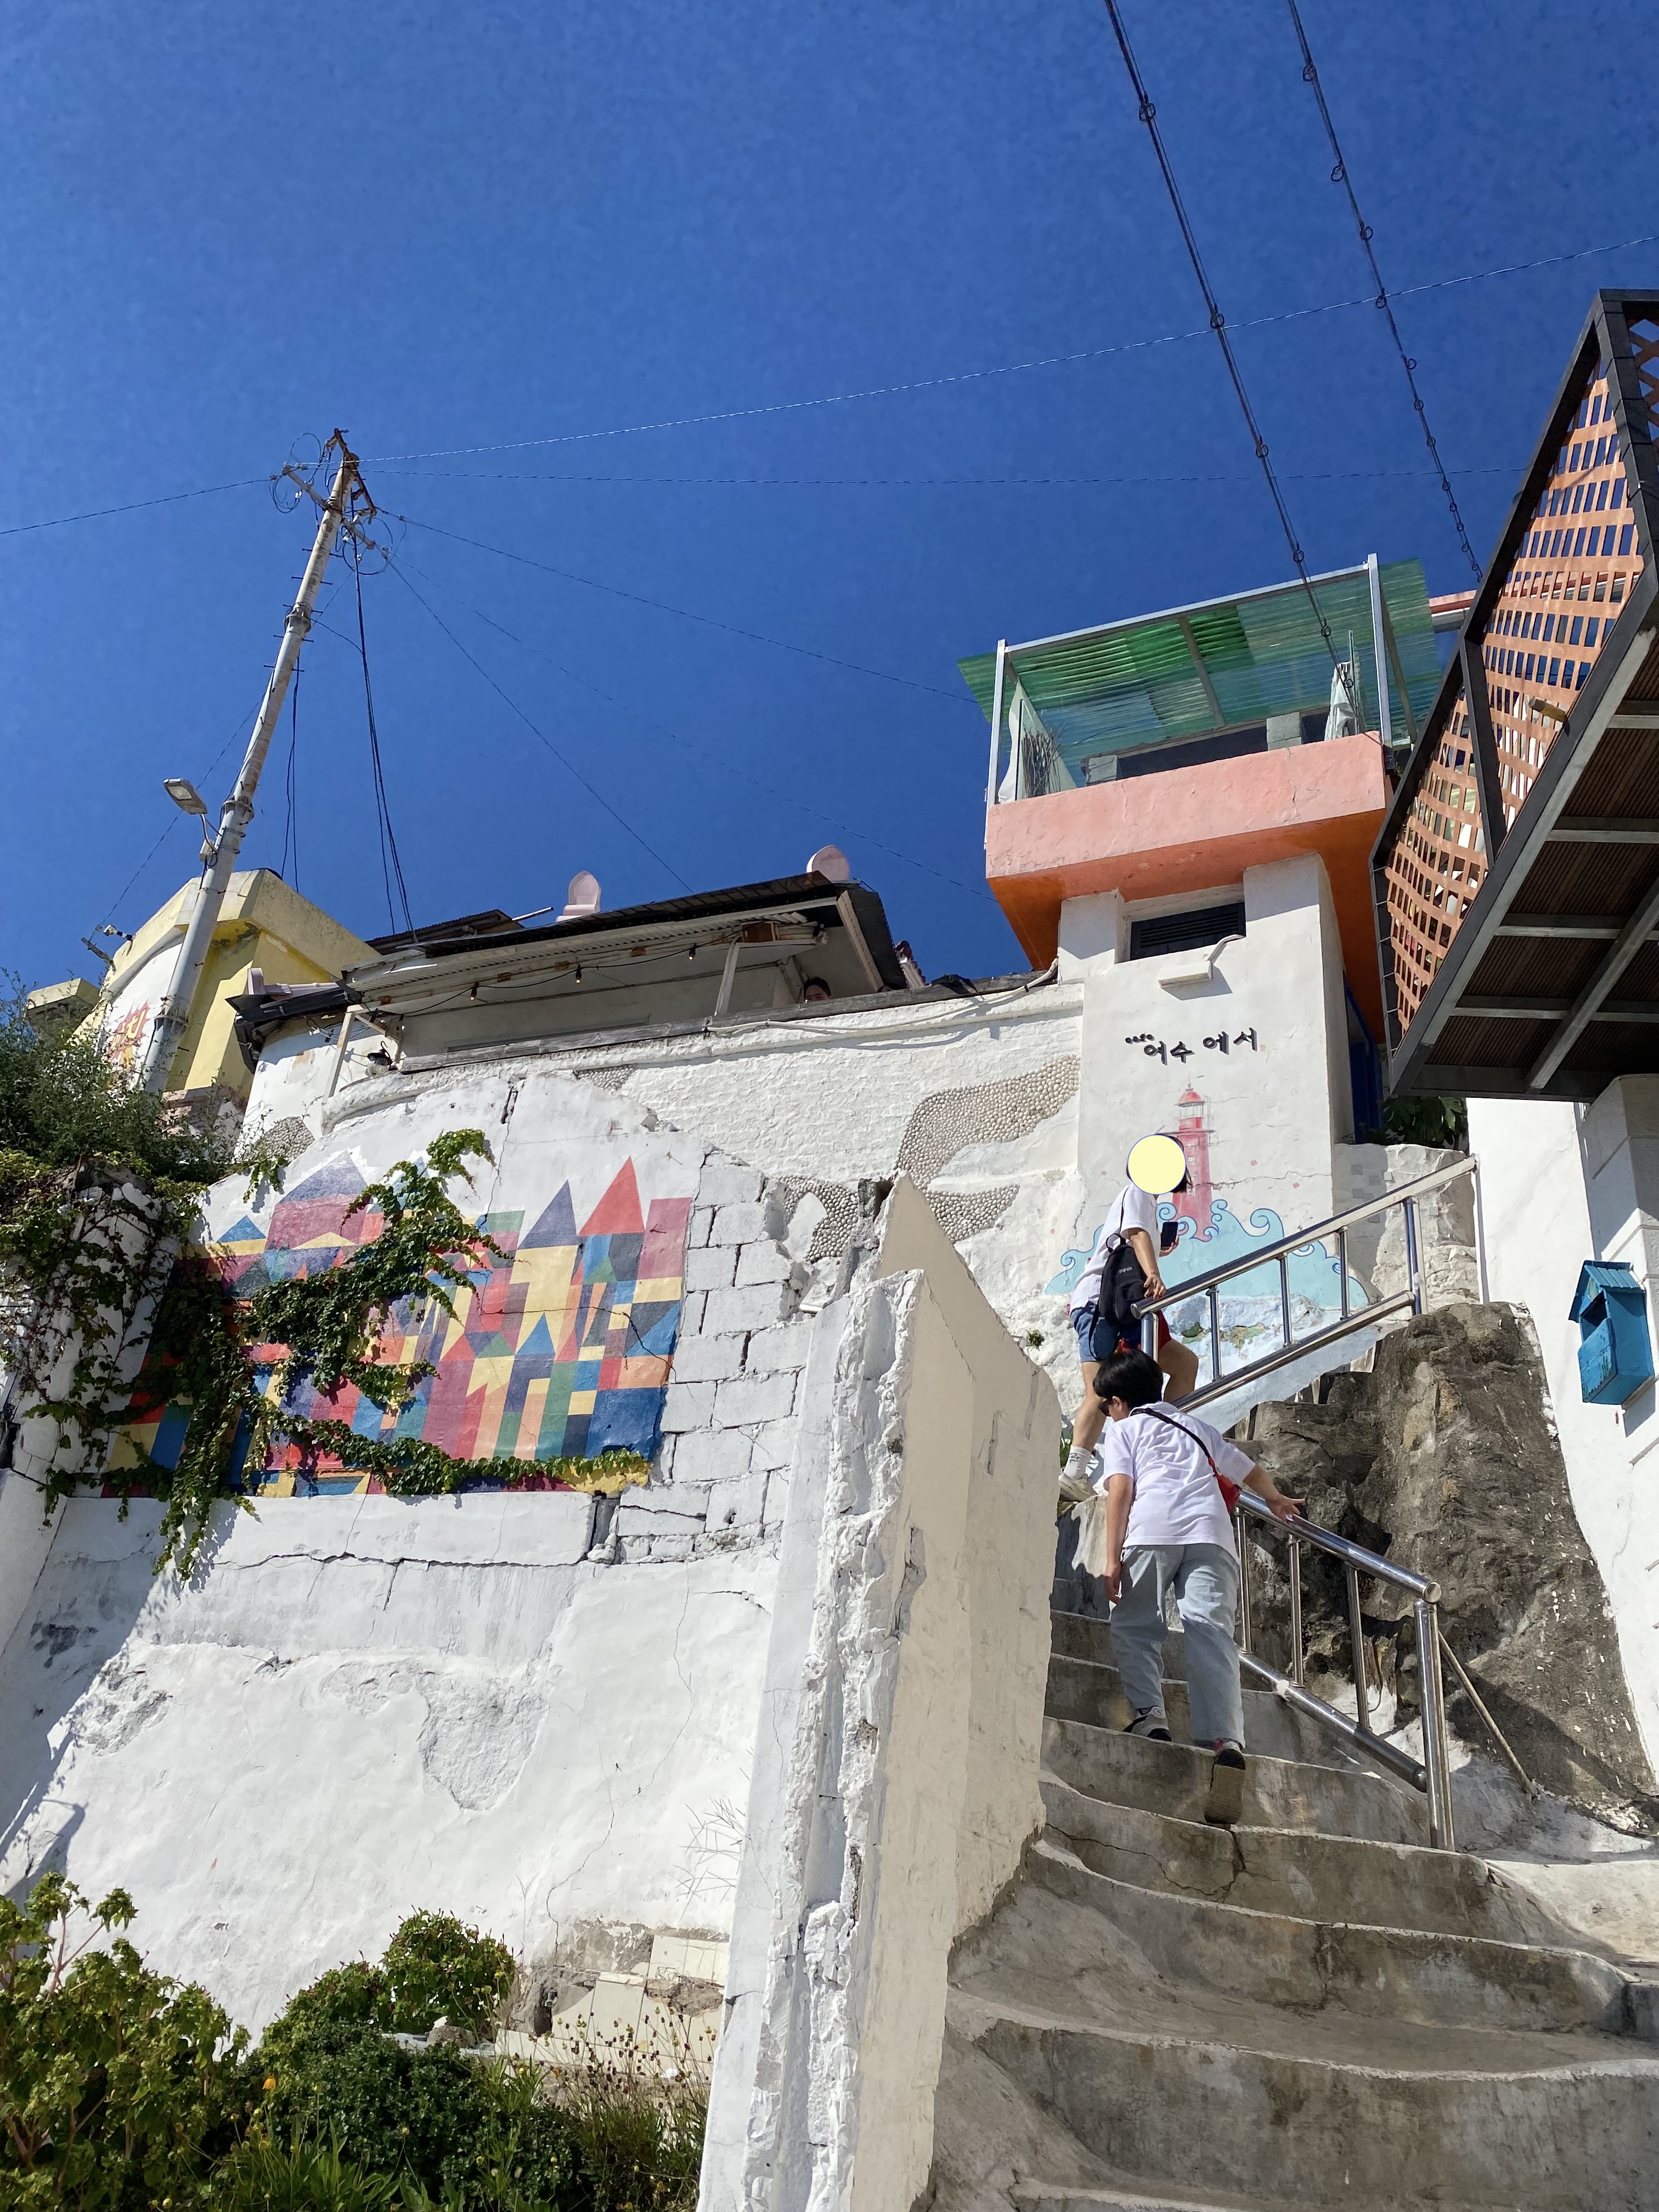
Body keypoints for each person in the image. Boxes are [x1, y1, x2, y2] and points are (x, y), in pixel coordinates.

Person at [1090, 1346, 1302, 1823]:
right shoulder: (1196, 1426)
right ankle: (1226, 1741)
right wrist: (1275, 1499)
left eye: (1106, 1405)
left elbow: (1121, 1490)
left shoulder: (1124, 1430)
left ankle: (1150, 1718)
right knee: (1211, 1633)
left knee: (1136, 1627)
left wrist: (1112, 1559)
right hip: (1213, 1536)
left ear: (1119, 1401)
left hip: (1153, 1531)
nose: (1107, 1412)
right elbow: (1247, 1469)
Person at [1062, 1171, 1200, 1496]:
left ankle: (1160, 1439)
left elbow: (1135, 1238)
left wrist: (1158, 1250)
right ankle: (1074, 1472)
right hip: (1102, 1301)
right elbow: (1135, 1234)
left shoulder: (1146, 1202)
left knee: (1184, 1365)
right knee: (1101, 1389)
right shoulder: (1137, 1191)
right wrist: (1154, 1272)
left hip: (1125, 1304)